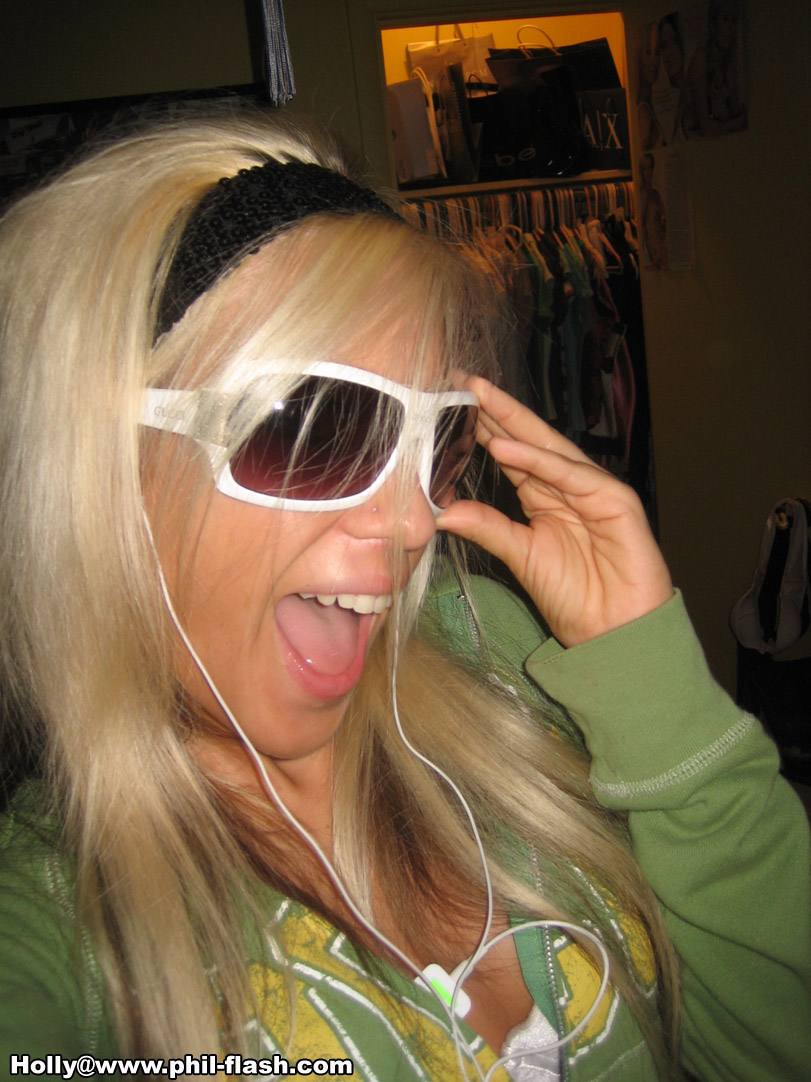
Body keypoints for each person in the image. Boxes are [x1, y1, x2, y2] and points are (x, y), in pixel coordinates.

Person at [0, 111, 808, 1082]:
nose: (412, 520)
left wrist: (646, 671)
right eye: (318, 424)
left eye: (438, 436)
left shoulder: (501, 651)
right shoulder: (59, 920)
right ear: (93, 463)